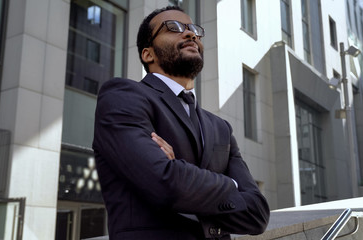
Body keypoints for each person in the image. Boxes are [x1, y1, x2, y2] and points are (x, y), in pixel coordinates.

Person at [93, 6, 270, 240]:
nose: (190, 34)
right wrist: (234, 186)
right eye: (173, 27)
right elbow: (164, 182)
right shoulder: (123, 96)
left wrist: (179, 169)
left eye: (194, 29)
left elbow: (257, 215)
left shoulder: (221, 128)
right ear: (148, 54)